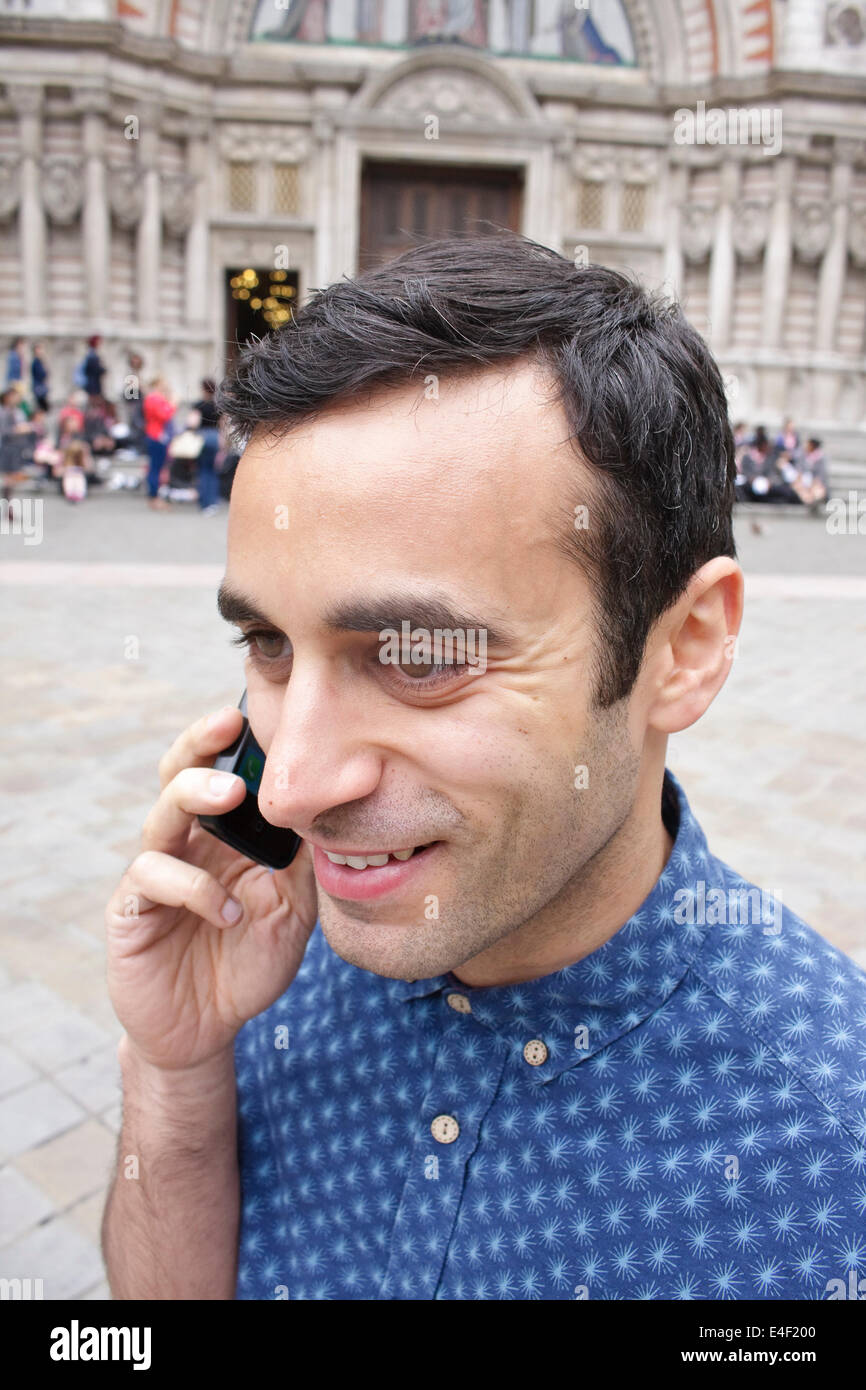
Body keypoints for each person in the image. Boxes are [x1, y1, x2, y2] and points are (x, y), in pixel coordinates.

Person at [101, 232, 866, 1302]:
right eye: (268, 644)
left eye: (417, 655)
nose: (287, 787)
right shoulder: (262, 952)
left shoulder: (832, 1168)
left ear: (681, 649)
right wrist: (179, 1075)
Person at [142, 376, 176, 511]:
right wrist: (172, 404)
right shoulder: (154, 398)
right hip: (156, 435)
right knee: (156, 468)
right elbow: (164, 415)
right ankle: (154, 497)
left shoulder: (154, 398)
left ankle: (154, 497)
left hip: (156, 435)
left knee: (156, 468)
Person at [193, 378, 221, 514]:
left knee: (203, 469)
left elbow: (193, 422)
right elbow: (223, 423)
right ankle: (213, 501)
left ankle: (204, 502)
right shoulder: (218, 404)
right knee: (213, 470)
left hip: (202, 437)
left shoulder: (199, 404)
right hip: (215, 436)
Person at [59, 438, 89, 503]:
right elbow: (58, 472)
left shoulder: (83, 461)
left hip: (79, 477)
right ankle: (70, 492)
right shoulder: (65, 461)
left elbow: (88, 469)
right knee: (69, 479)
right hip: (69, 477)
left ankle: (79, 493)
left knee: (79, 479)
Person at [81, 334, 106, 401]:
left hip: (91, 384)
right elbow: (96, 369)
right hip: (93, 385)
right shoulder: (93, 355)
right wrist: (103, 369)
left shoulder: (90, 354)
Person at [30, 341, 50, 411]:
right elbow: (42, 374)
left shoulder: (40, 361)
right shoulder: (36, 362)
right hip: (39, 389)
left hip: (41, 388)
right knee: (41, 408)